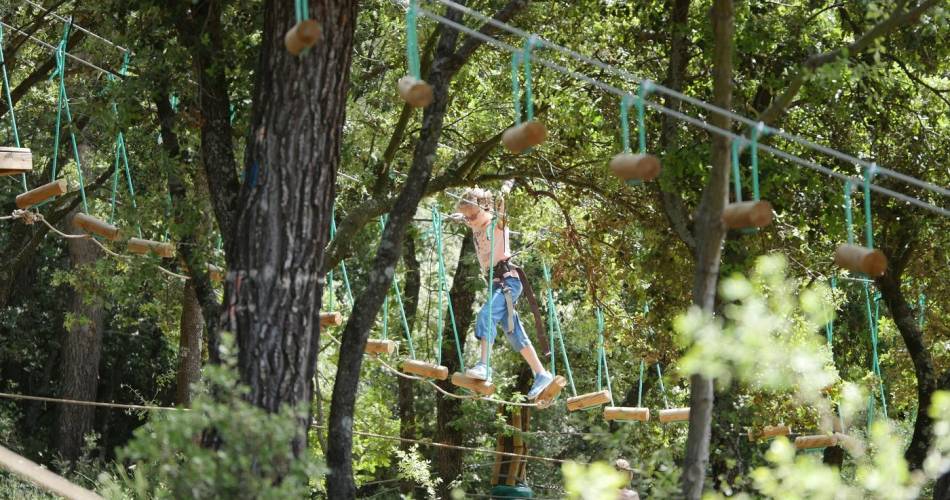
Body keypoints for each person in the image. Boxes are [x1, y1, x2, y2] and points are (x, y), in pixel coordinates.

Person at [449, 181, 554, 400]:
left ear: (485, 209)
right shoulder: (475, 223)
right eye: (467, 217)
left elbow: (500, 211)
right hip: (497, 284)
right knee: (512, 329)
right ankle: (541, 373)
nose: (469, 220)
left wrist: (504, 194)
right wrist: (460, 216)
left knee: (486, 315)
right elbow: (466, 216)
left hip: (508, 281)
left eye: (472, 215)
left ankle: (484, 365)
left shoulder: (496, 224)